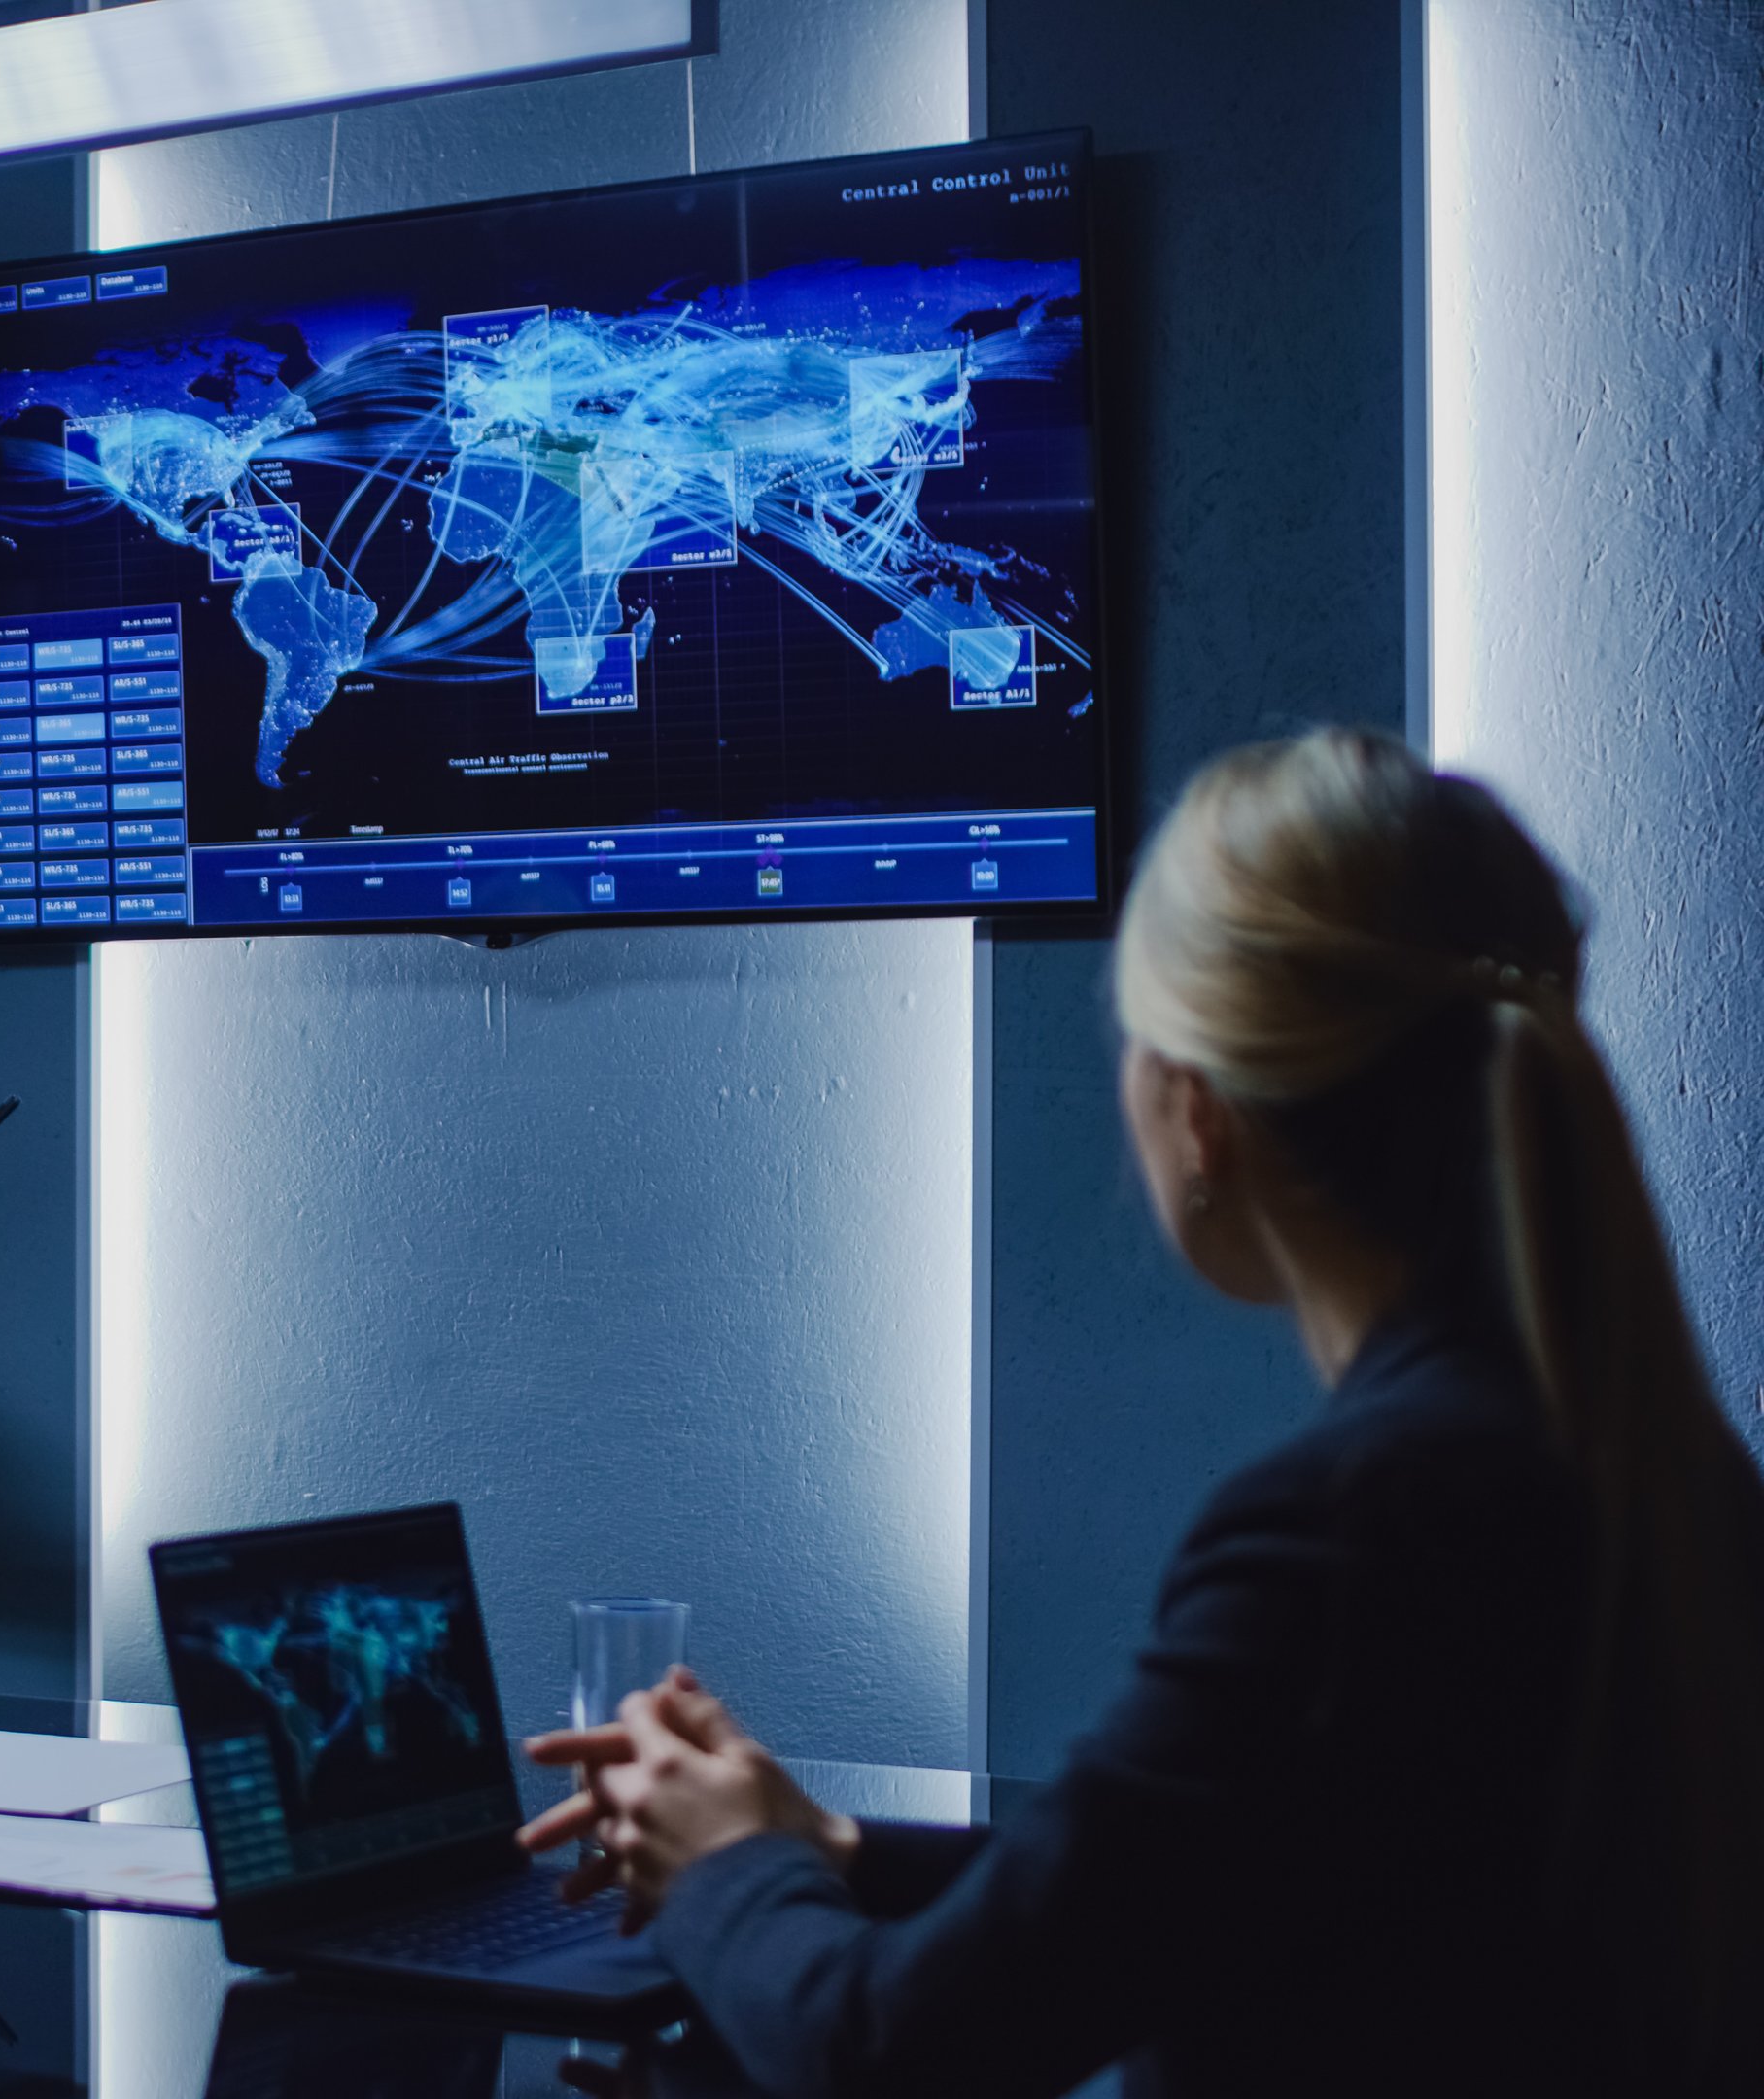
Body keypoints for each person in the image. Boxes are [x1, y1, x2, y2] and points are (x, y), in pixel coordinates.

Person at [519, 728, 1764, 2096]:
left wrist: (727, 1873)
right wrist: (831, 1855)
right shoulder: (1654, 1468)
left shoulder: (1345, 1535)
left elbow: (881, 2052)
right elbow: (1229, 1885)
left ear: (1202, 1111)